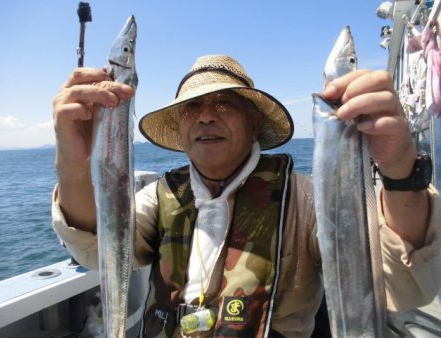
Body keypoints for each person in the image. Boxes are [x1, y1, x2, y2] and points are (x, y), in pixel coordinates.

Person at [52, 54, 441, 337]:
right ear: (180, 127)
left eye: (224, 103)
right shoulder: (161, 196)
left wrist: (400, 171)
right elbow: (95, 248)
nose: (206, 116)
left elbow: (402, 282)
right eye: (191, 108)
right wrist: (74, 161)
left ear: (254, 123)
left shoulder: (306, 200)